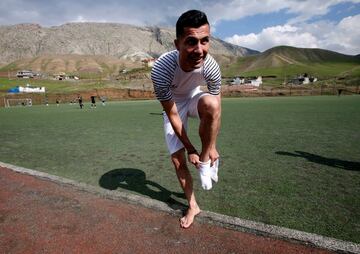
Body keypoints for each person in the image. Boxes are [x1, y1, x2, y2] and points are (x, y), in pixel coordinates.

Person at [151, 10, 221, 229]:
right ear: (177, 43)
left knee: (211, 103)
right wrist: (189, 148)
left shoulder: (211, 66)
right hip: (174, 104)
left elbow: (217, 109)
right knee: (178, 160)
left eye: (204, 41)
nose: (199, 50)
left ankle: (206, 161)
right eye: (191, 42)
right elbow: (172, 113)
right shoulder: (161, 70)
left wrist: (211, 146)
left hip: (194, 97)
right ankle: (193, 205)